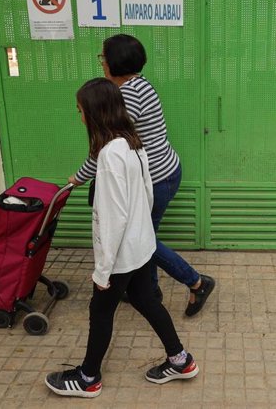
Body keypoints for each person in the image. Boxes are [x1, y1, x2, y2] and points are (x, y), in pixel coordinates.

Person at [46, 78, 199, 398]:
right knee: (145, 300)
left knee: (100, 311)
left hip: (122, 254)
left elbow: (112, 220)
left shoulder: (110, 156)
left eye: (81, 111)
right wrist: (143, 235)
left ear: (95, 113)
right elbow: (145, 195)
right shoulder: (132, 142)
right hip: (140, 245)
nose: (80, 117)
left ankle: (88, 378)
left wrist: (103, 271)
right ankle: (180, 360)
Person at [69, 34, 215, 317]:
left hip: (156, 178)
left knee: (142, 240)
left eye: (103, 58)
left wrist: (79, 177)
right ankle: (150, 291)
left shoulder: (128, 94)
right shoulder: (138, 84)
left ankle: (196, 282)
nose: (101, 63)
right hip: (164, 170)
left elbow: (107, 145)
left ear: (113, 62)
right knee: (142, 236)